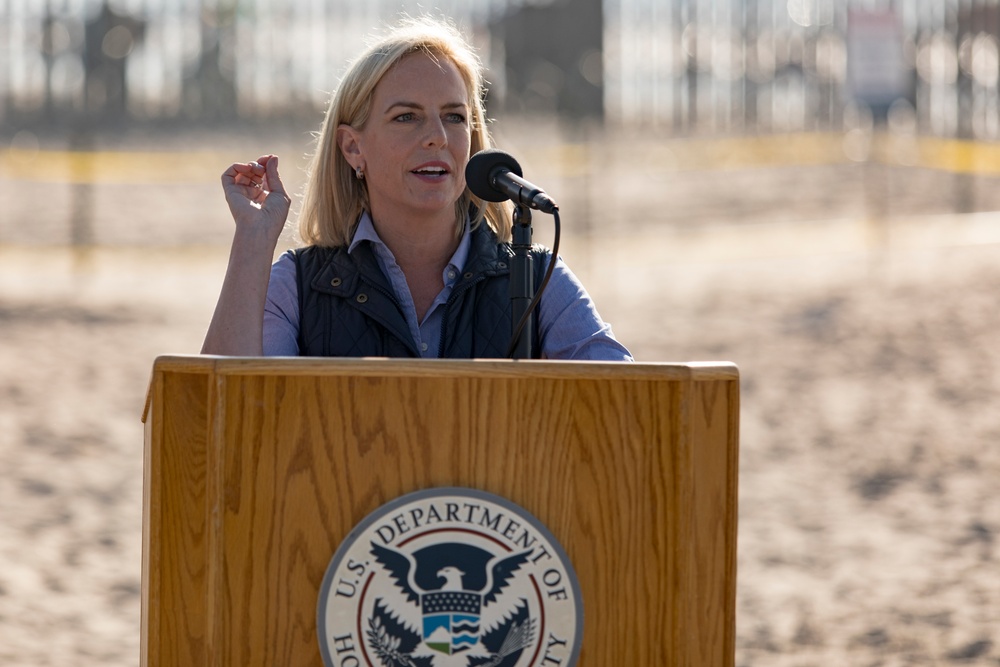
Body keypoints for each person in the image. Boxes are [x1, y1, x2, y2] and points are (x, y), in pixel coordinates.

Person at [201, 17, 632, 361]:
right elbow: (220, 413)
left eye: (454, 117)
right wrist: (253, 243)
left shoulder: (539, 278)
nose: (437, 138)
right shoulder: (296, 283)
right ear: (353, 148)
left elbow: (630, 408)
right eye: (407, 117)